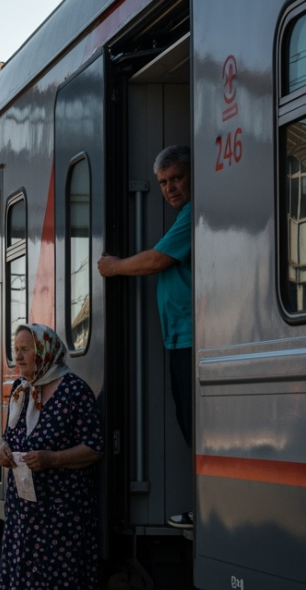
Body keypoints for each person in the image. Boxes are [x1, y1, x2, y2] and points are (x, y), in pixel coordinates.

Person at [0, 324, 103, 590]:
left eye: (26, 349)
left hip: (61, 507)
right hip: (24, 504)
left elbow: (94, 448)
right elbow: (10, 439)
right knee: (25, 572)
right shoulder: (21, 390)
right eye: (16, 349)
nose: (19, 355)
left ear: (45, 352)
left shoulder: (73, 390)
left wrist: (53, 459)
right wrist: (3, 452)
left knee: (56, 578)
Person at [97, 144, 193, 528]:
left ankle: (207, 505)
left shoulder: (193, 213)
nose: (170, 188)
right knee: (189, 424)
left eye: (177, 178)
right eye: (163, 182)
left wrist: (115, 266)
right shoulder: (185, 215)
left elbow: (157, 259)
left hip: (190, 338)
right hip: (179, 338)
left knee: (195, 426)